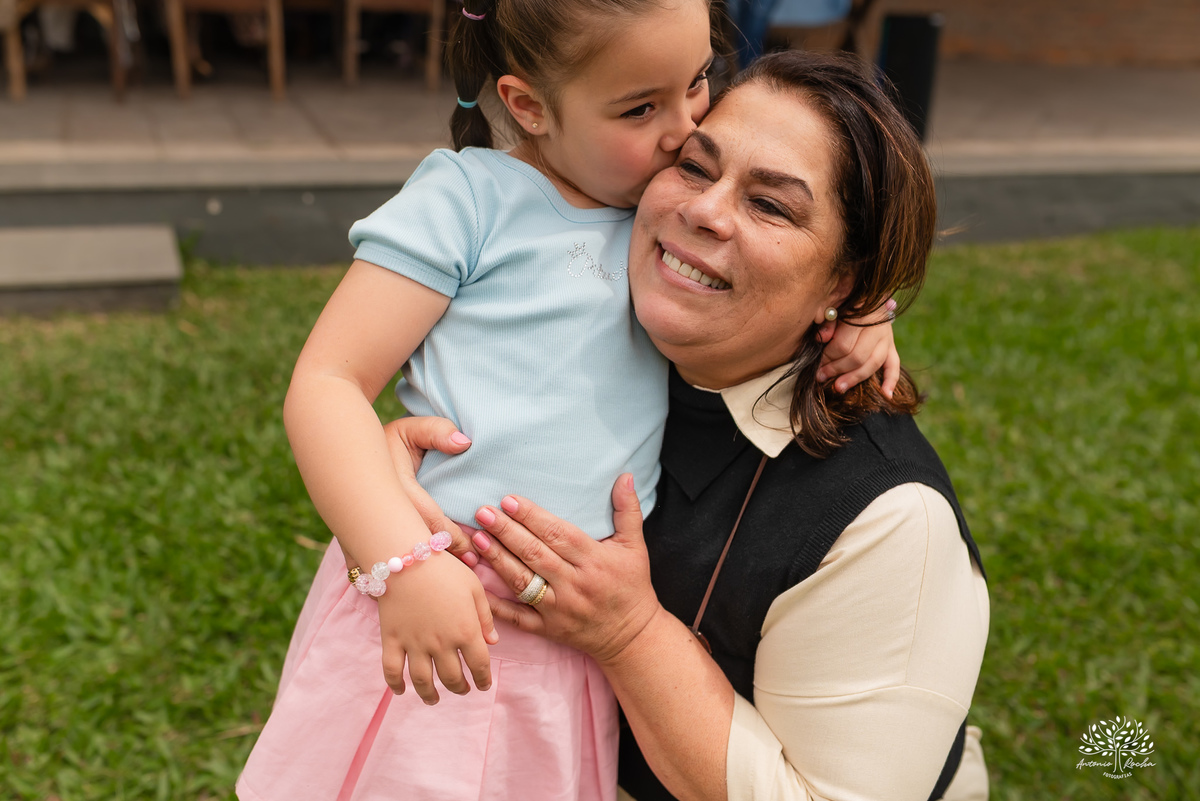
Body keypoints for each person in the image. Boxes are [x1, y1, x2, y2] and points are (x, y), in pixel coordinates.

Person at [236, 4, 898, 800]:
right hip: (438, 599)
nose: (685, 128)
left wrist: (866, 311)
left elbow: (780, 273)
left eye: (696, 84)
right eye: (640, 107)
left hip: (568, 630)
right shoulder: (469, 200)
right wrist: (400, 565)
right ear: (529, 107)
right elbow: (327, 381)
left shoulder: (668, 215)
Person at [414, 50, 991, 801]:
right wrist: (400, 455)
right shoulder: (594, 322)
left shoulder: (887, 522)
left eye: (771, 205)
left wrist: (630, 633)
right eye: (692, 165)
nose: (704, 210)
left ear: (844, 280)